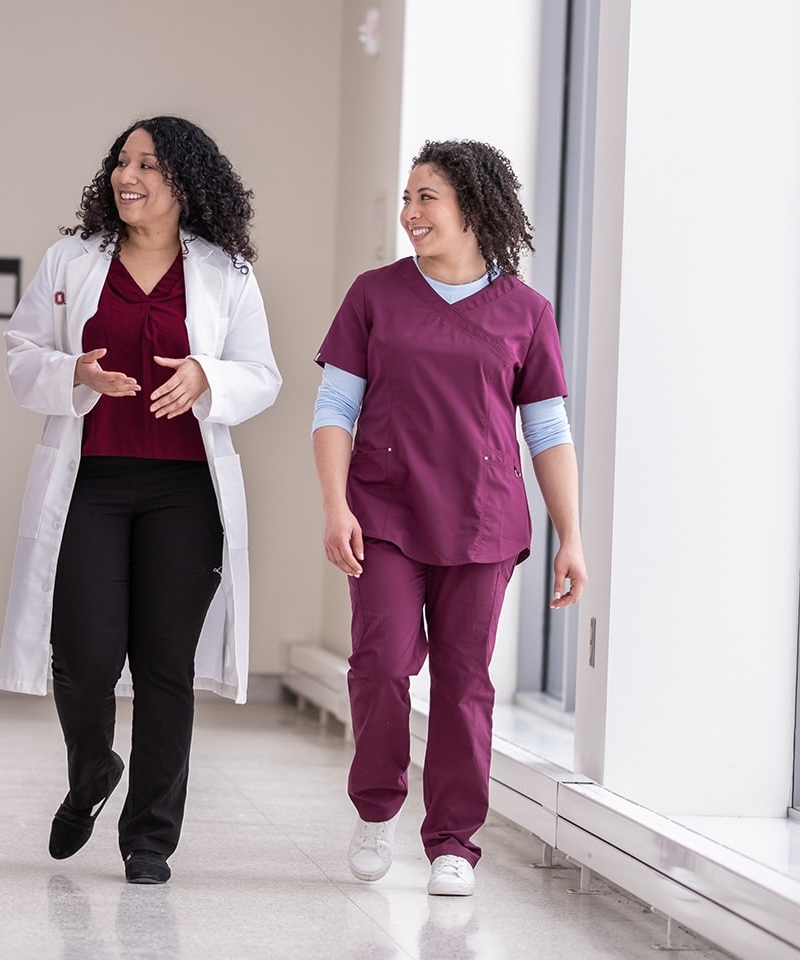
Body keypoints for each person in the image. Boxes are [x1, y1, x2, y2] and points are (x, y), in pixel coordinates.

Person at [0, 116, 280, 884]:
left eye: (149, 165)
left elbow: (262, 375)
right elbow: (21, 353)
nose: (129, 176)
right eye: (123, 161)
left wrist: (208, 377)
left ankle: (149, 839)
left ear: (185, 181)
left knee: (164, 666)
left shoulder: (225, 273)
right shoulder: (71, 260)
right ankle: (92, 768)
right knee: (83, 657)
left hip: (185, 491)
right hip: (89, 480)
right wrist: (74, 372)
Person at [312, 139, 586, 896]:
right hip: (384, 511)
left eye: (425, 197)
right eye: (407, 198)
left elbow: (547, 429)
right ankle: (376, 810)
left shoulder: (526, 311)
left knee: (466, 681)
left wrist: (571, 534)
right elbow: (335, 409)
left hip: (482, 519)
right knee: (379, 663)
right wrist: (335, 504)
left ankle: (454, 843)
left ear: (473, 207)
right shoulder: (374, 295)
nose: (409, 212)